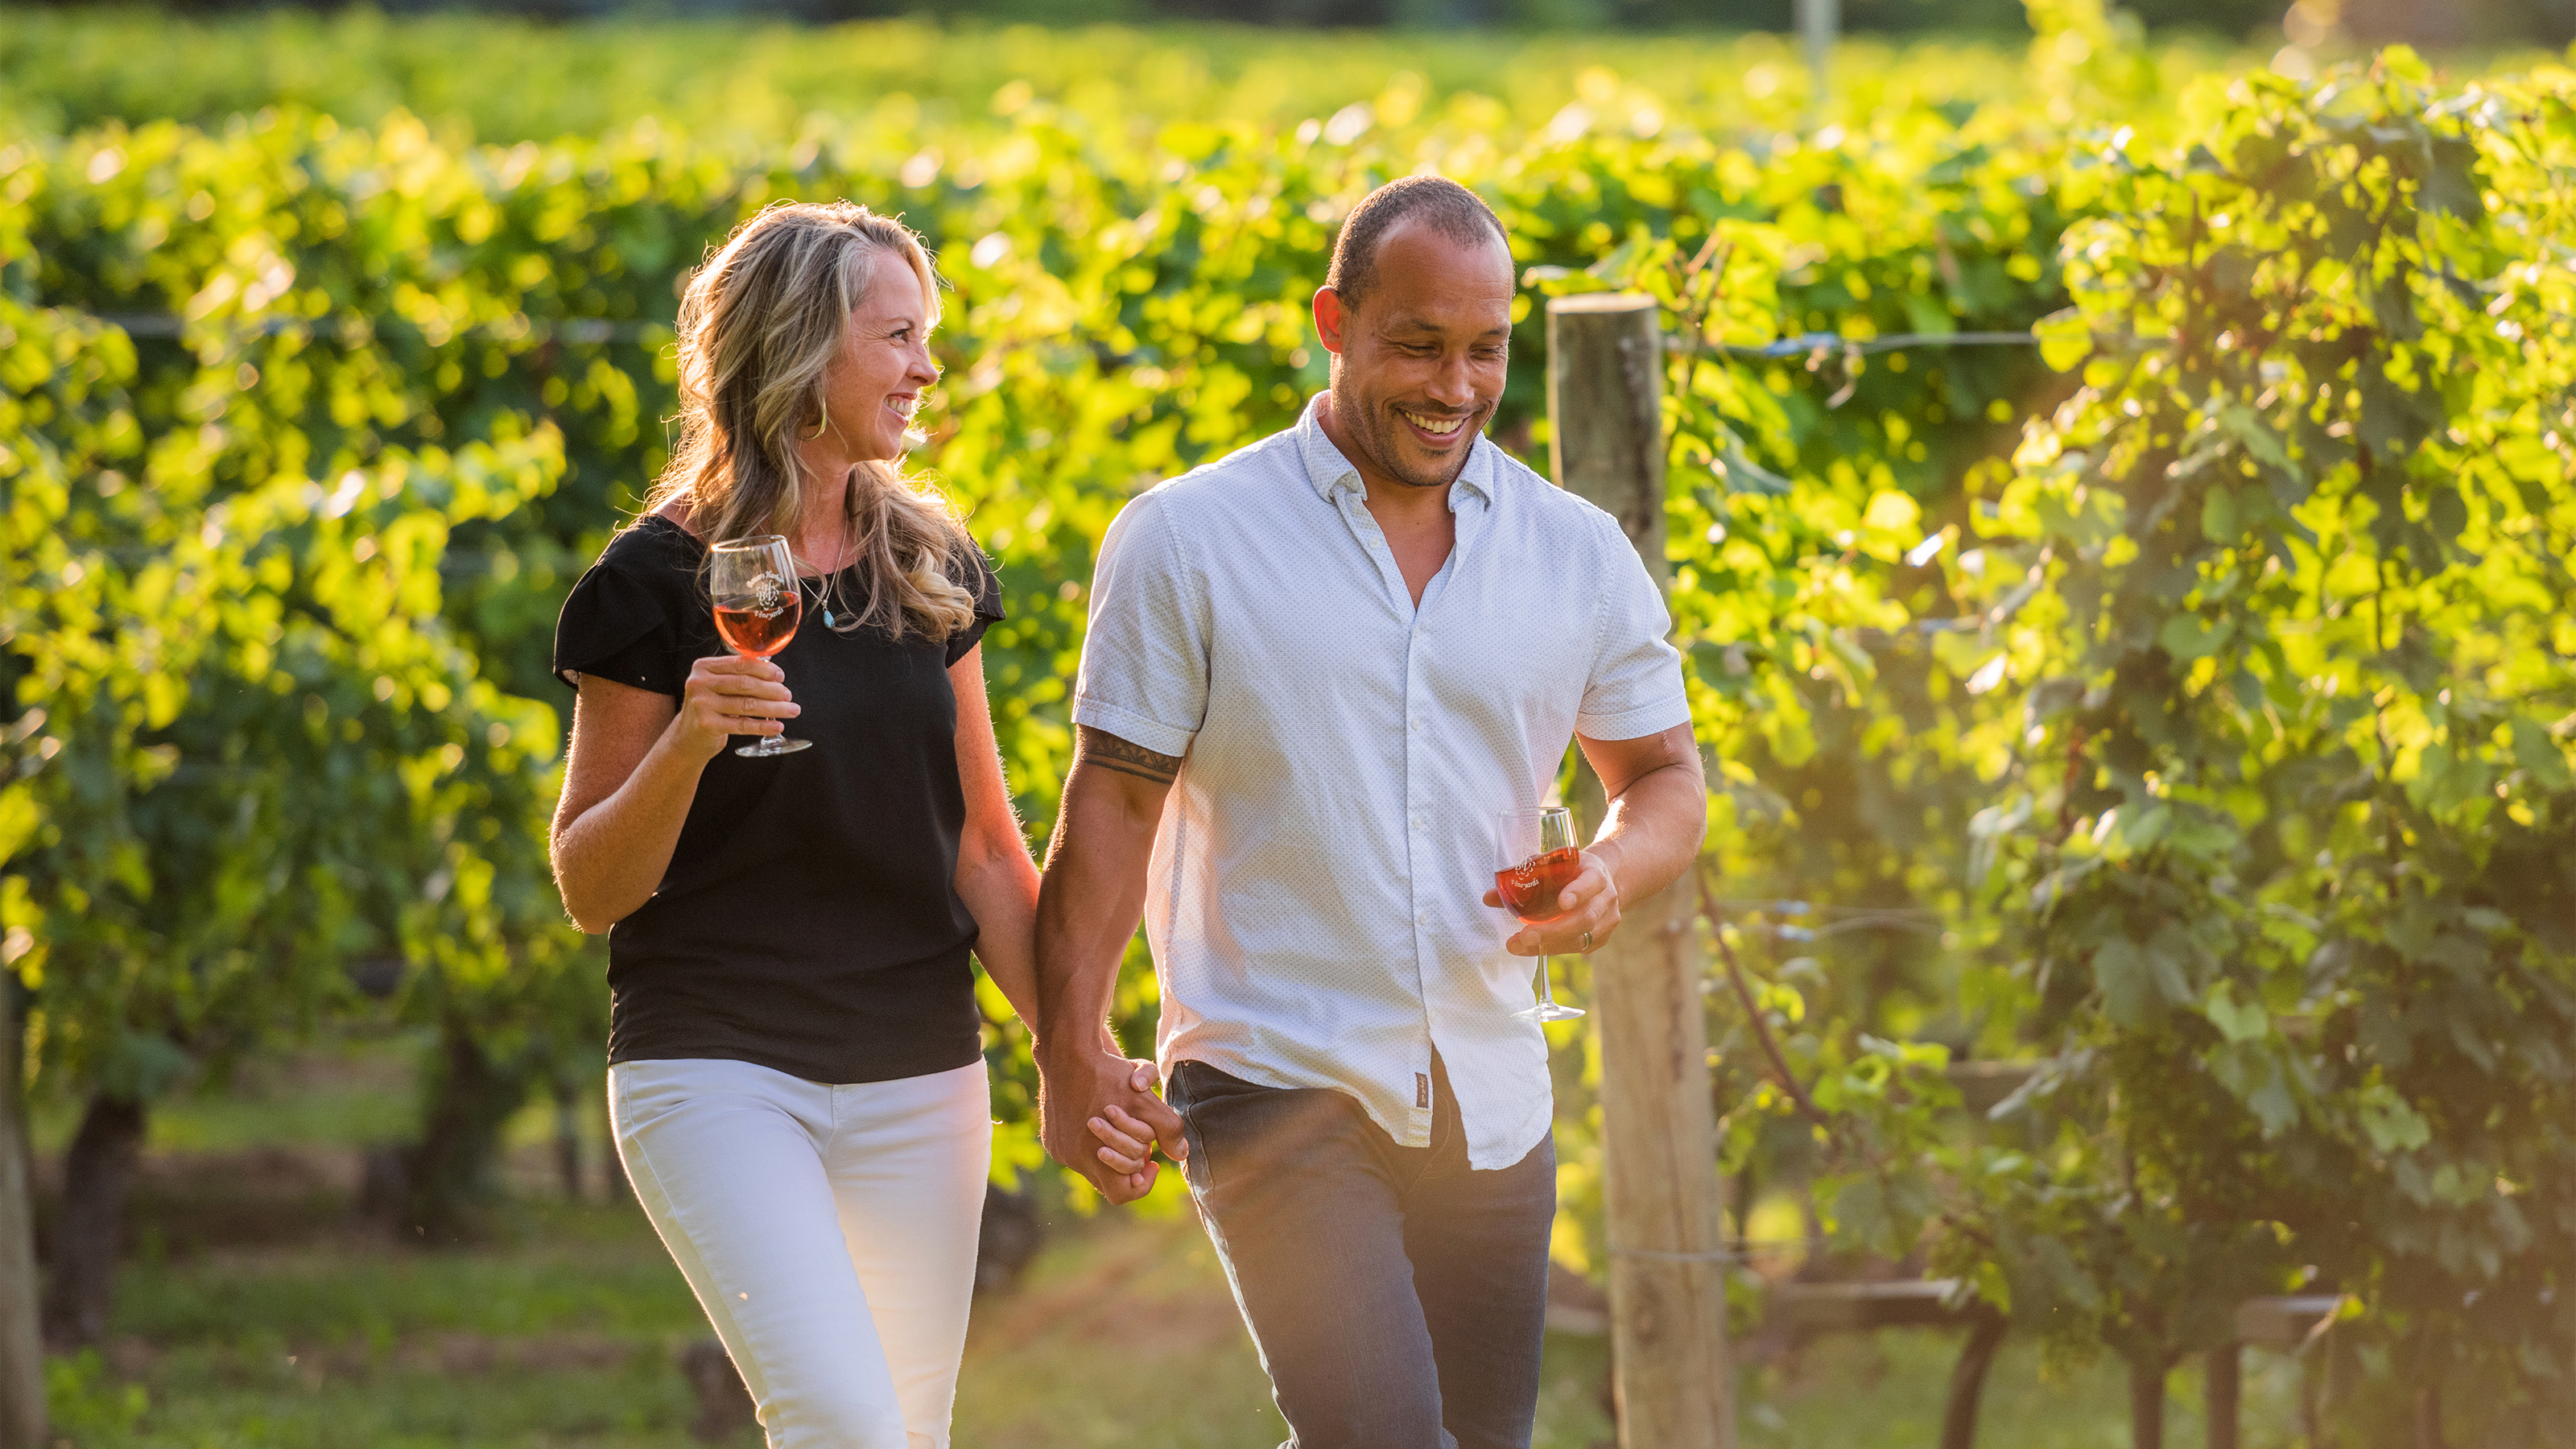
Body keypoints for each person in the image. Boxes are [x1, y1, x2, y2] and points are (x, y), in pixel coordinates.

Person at [1033, 175, 1709, 1448]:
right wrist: (1070, 1050)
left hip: (1491, 1087)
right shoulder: (1188, 538)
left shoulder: (1573, 553)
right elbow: (1112, 803)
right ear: (1333, 324)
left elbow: (1665, 780)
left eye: (1485, 350)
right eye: (1419, 346)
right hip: (1273, 1076)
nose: (1456, 387)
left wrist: (1613, 872)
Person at [548, 200, 1050, 1449]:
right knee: (840, 1418)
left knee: (906, 1432)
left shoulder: (926, 564)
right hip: (717, 1063)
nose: (927, 369)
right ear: (800, 349)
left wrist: (1074, 1047)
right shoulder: (651, 582)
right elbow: (590, 886)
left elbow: (986, 848)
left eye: (926, 336)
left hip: (921, 1067)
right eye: (897, 337)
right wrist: (689, 740)